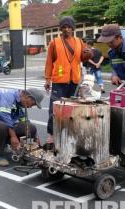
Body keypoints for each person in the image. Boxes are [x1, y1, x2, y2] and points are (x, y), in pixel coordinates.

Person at [44, 16, 92, 145]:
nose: (66, 29)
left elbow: (83, 58)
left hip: (74, 80)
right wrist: (48, 79)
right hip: (59, 80)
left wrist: (88, 54)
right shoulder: (54, 42)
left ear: (73, 28)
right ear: (61, 29)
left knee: (72, 109)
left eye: (69, 27)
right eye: (64, 27)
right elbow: (49, 62)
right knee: (54, 108)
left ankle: (69, 131)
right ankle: (52, 134)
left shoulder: (79, 42)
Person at [0, 88, 44, 167]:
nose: (31, 107)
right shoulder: (8, 95)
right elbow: (3, 115)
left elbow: (25, 121)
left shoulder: (18, 102)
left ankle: (21, 150)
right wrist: (13, 137)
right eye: (33, 104)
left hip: (1, 128)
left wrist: (36, 138)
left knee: (30, 127)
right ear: (28, 97)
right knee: (1, 126)